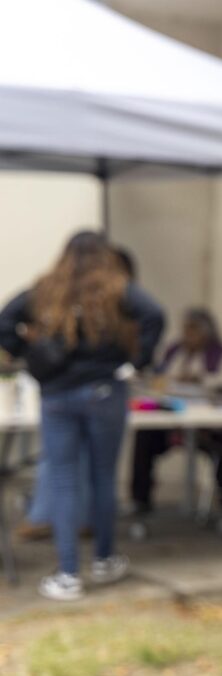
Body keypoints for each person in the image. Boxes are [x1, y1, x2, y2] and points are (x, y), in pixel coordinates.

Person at [0, 231, 164, 600]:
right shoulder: (117, 289)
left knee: (63, 481)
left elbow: (4, 322)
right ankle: (104, 559)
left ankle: (68, 574)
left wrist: (28, 353)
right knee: (103, 477)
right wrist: (136, 361)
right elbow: (155, 314)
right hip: (104, 391)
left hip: (56, 395)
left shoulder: (46, 288)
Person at [14, 243, 138, 542]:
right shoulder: (110, 300)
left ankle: (67, 557)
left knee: (64, 470)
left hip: (61, 393)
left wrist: (27, 350)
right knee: (94, 473)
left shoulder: (61, 294)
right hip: (98, 392)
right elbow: (152, 320)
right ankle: (98, 553)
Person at [129, 307, 222, 518]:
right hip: (176, 422)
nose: (187, 335)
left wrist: (202, 381)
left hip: (208, 424)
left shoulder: (221, 355)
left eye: (193, 330)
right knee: (145, 437)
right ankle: (140, 500)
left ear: (206, 332)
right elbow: (159, 379)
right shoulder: (176, 352)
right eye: (185, 329)